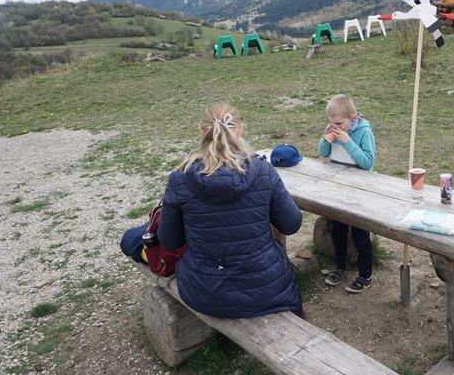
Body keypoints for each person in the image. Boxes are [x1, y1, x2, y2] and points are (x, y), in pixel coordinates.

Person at [156, 103, 304, 318]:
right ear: (240, 129)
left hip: (204, 291)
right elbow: (292, 224)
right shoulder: (263, 171)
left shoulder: (180, 178)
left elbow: (169, 241)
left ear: (201, 131)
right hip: (265, 289)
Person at [317, 94, 377, 293]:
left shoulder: (363, 131)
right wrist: (326, 137)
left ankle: (365, 275)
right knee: (337, 230)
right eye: (331, 123)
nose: (335, 126)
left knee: (360, 233)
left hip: (359, 190)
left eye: (338, 123)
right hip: (339, 188)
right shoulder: (336, 129)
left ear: (353, 117)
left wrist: (348, 141)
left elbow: (368, 162)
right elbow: (323, 152)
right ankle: (340, 267)